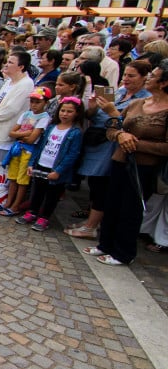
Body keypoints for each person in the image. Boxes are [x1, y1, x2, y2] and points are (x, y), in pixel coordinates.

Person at [86, 61, 168, 265]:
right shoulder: (138, 104)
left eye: (153, 76)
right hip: (120, 160)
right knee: (112, 203)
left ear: (164, 83)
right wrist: (120, 134)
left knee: (130, 209)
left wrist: (135, 143)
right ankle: (105, 244)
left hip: (145, 167)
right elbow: (112, 127)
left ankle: (123, 252)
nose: (149, 78)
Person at [67, 61, 152, 239]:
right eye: (125, 75)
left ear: (144, 78)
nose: (126, 79)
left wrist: (112, 111)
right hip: (97, 140)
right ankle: (92, 219)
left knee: (102, 185)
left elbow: (131, 124)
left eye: (131, 76)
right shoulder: (119, 91)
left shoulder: (144, 99)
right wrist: (92, 108)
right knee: (94, 183)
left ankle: (92, 226)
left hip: (112, 145)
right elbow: (94, 116)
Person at [16, 97, 85, 231]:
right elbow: (40, 145)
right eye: (63, 110)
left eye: (69, 111)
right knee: (37, 191)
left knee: (52, 195)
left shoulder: (75, 132)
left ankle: (44, 217)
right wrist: (32, 163)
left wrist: (59, 171)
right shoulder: (51, 127)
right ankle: (33, 212)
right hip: (42, 163)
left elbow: (72, 154)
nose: (65, 114)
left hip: (56, 168)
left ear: (76, 113)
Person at [0, 86, 52, 217]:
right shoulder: (25, 114)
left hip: (29, 152)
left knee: (22, 180)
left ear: (46, 102)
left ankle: (16, 205)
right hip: (17, 149)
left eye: (38, 102)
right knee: (13, 177)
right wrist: (26, 133)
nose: (34, 105)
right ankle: (8, 202)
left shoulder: (44, 118)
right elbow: (11, 132)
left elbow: (33, 139)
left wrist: (22, 134)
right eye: (32, 101)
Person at [0, 52, 34, 163]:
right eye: (7, 62)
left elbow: (11, 109)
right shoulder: (8, 82)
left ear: (21, 67)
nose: (6, 65)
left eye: (10, 62)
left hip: (3, 130)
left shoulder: (26, 83)